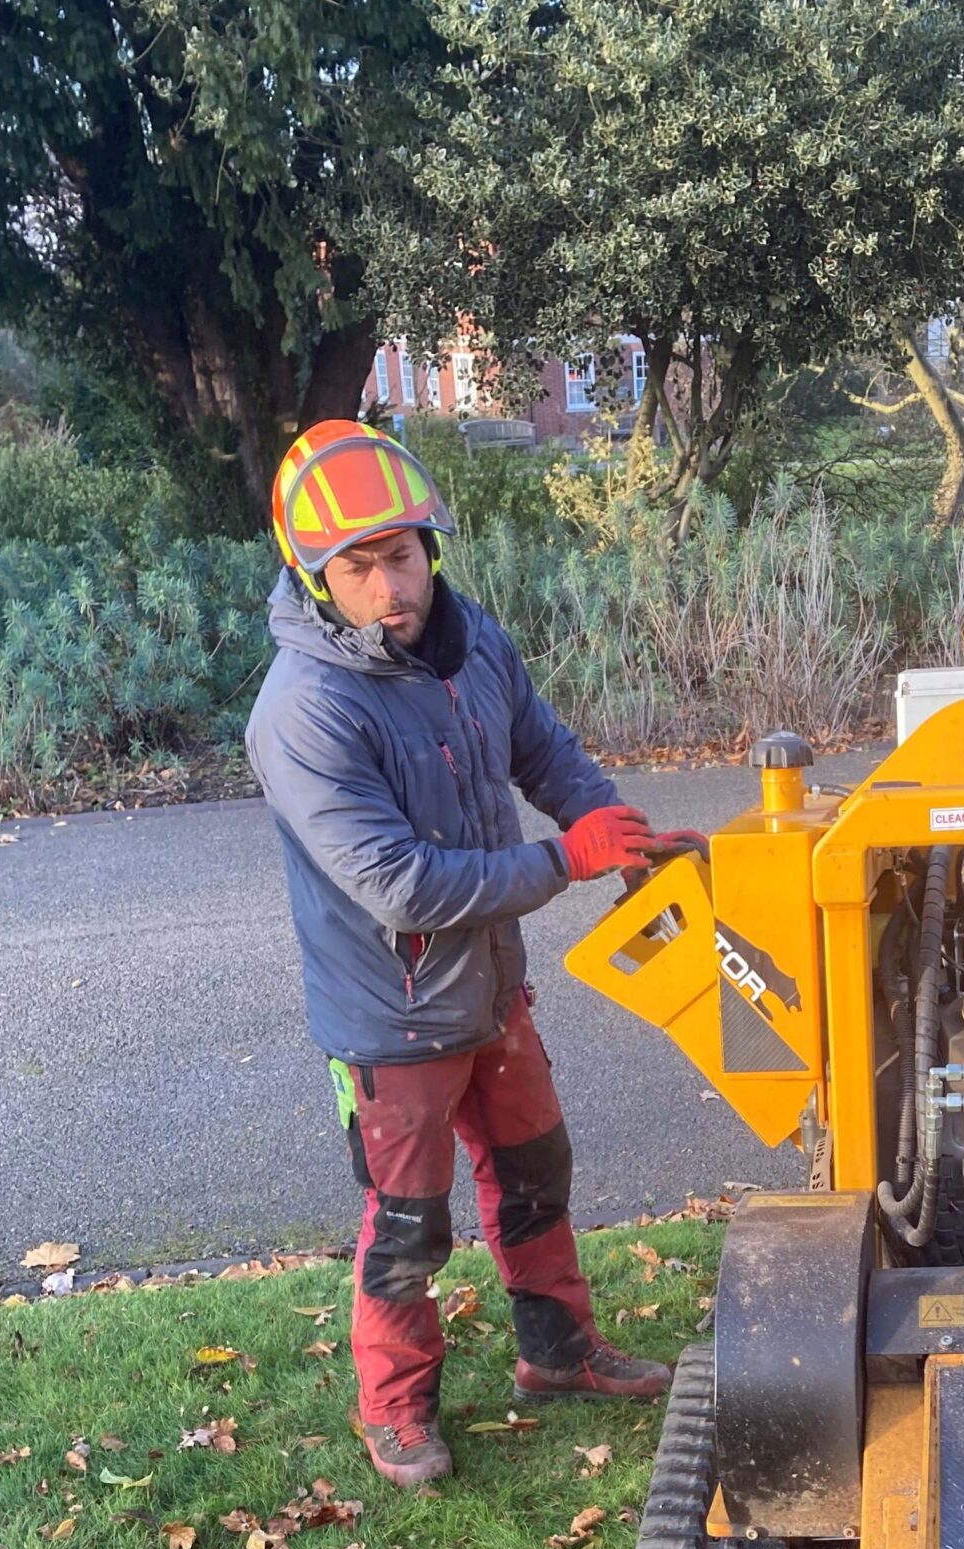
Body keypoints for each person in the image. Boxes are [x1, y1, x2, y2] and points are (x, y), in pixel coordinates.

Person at [246, 419, 678, 1492]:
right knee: (407, 1223)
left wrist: (614, 828)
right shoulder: (302, 713)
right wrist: (566, 861)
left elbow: (542, 747)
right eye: (359, 565)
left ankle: (558, 1352)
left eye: (403, 552)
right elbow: (403, 884)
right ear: (314, 579)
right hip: (392, 1014)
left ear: (429, 545)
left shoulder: (470, 638)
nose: (392, 583)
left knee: (536, 1168)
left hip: (493, 988)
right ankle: (395, 1409)